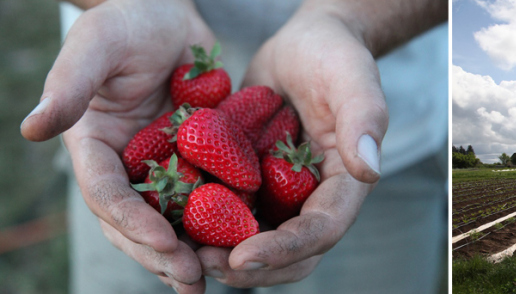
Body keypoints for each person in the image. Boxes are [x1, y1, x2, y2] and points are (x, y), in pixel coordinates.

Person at [20, 0, 448, 293]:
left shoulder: (207, 142)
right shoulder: (199, 145)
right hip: (127, 100)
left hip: (361, 128)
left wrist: (348, 18)